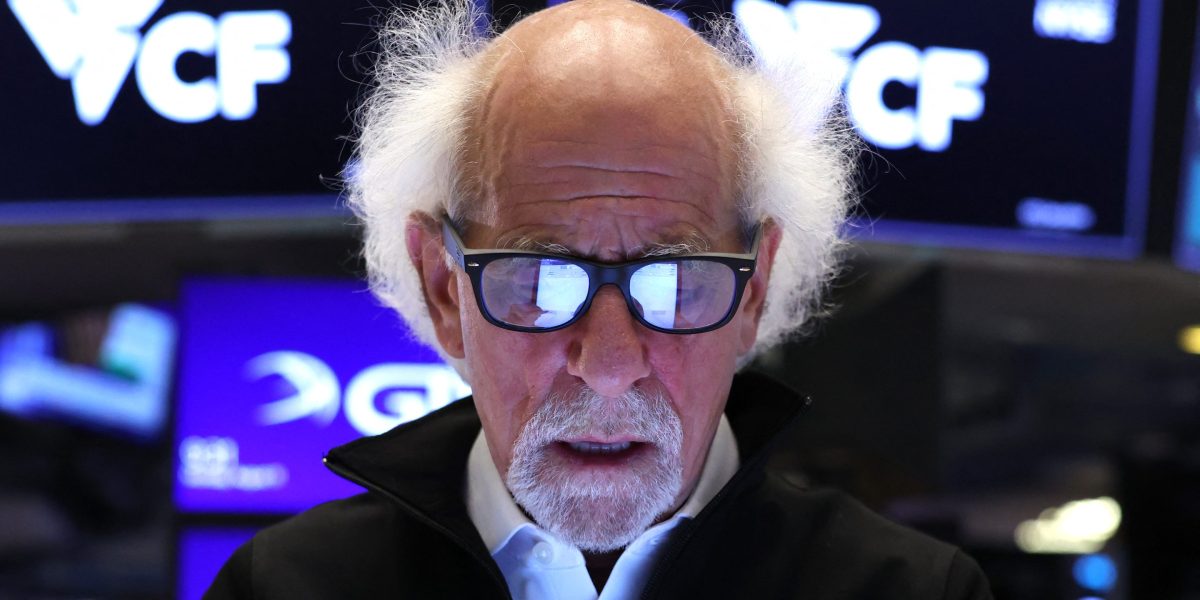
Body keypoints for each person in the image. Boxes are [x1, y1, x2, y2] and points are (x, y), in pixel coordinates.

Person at [206, 0, 992, 597]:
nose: (610, 367)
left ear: (754, 288)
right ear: (444, 286)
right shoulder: (282, 588)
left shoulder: (914, 592)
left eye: (675, 280)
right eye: (540, 279)